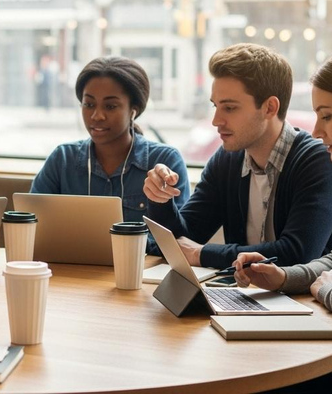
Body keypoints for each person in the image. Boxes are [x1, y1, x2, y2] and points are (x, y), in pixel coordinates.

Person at [144, 43, 332, 270]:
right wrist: (160, 199)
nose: (216, 120)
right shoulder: (227, 160)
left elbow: (298, 253)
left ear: (270, 108)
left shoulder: (316, 161)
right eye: (215, 106)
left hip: (303, 302)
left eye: (229, 108)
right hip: (245, 297)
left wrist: (203, 254)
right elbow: (183, 239)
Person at [31, 56, 190, 223]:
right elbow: (32, 224)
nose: (96, 116)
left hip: (141, 251)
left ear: (133, 110)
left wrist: (127, 243)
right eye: (89, 104)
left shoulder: (165, 161)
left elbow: (177, 239)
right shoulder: (62, 159)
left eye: (110, 106)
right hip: (69, 251)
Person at [232, 57, 332, 313]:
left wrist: (326, 290)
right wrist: (284, 278)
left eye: (328, 116)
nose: (317, 131)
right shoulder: (228, 160)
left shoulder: (312, 161)